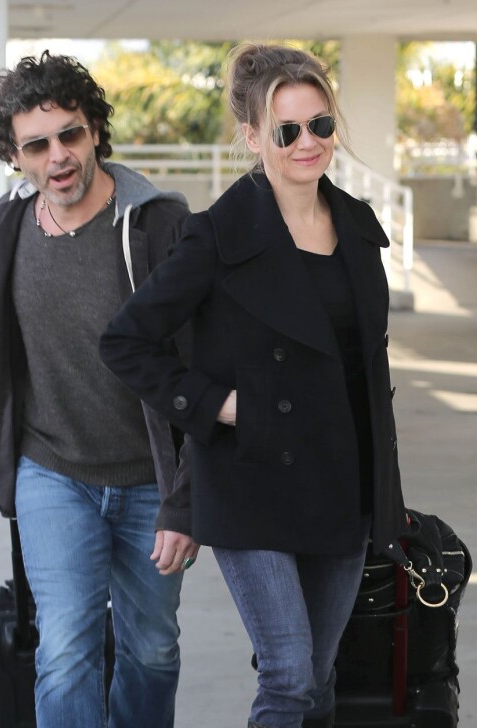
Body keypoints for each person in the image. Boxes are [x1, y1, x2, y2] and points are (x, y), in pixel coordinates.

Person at [100, 42, 408, 728]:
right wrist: (219, 406)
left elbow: (365, 365)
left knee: (320, 681)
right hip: (252, 480)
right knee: (289, 675)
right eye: (287, 130)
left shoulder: (357, 226)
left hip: (343, 484)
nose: (308, 144)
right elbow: (125, 341)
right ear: (251, 136)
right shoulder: (214, 237)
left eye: (321, 126)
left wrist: (387, 487)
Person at [0, 51, 197, 728]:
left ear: (96, 129)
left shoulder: (157, 223)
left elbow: (194, 363)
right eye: (36, 145)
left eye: (69, 134)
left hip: (147, 483)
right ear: (16, 157)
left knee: (151, 651)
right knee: (66, 650)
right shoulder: (11, 223)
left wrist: (185, 501)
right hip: (53, 472)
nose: (58, 157)